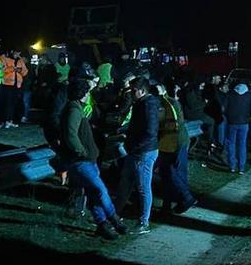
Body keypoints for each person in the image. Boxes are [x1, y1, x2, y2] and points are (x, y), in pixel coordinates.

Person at [56, 77, 127, 241]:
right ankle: (114, 218)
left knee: (93, 193)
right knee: (100, 190)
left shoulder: (77, 108)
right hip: (81, 160)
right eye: (88, 92)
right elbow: (70, 134)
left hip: (89, 158)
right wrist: (80, 150)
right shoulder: (74, 110)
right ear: (83, 93)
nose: (89, 95)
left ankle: (102, 225)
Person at [114, 76, 160, 235]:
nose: (131, 93)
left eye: (133, 91)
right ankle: (114, 216)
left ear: (142, 91)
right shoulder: (141, 104)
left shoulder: (148, 105)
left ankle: (144, 222)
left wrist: (135, 146)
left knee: (143, 187)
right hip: (137, 151)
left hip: (143, 152)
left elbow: (150, 131)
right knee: (125, 183)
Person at [154, 83, 197, 215]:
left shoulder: (163, 105)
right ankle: (173, 203)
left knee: (169, 172)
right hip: (178, 141)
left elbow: (166, 126)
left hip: (171, 142)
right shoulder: (171, 102)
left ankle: (185, 197)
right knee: (176, 172)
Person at [224, 79, 251, 174]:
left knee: (231, 144)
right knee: (242, 144)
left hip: (232, 123)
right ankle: (241, 168)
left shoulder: (230, 94)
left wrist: (229, 116)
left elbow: (224, 108)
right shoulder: (249, 95)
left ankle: (232, 166)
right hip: (244, 123)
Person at [0, 48, 29, 128]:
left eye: (19, 53)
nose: (18, 55)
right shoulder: (4, 58)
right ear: (12, 51)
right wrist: (13, 69)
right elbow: (2, 70)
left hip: (17, 85)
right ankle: (5, 121)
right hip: (7, 84)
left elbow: (25, 71)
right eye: (16, 53)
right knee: (7, 104)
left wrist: (20, 70)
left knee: (13, 104)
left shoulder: (20, 60)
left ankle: (10, 120)